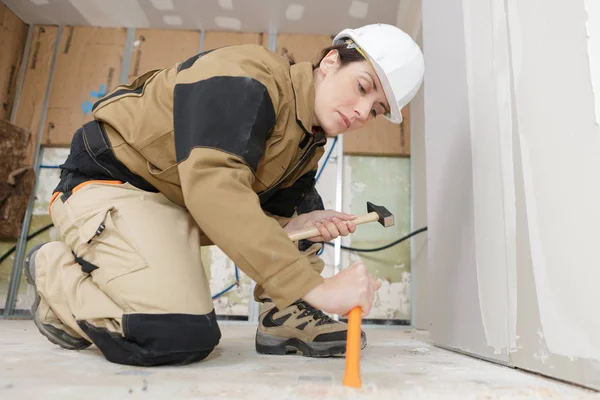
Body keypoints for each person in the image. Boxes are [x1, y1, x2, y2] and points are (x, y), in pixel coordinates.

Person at [23, 23, 424, 366]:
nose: (361, 112)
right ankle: (54, 272)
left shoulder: (308, 142)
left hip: (173, 203)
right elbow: (215, 186)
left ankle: (283, 315)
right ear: (332, 61)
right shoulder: (247, 76)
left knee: (305, 204)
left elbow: (253, 209)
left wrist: (299, 224)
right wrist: (315, 286)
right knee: (177, 335)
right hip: (112, 183)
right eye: (363, 87)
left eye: (375, 109)